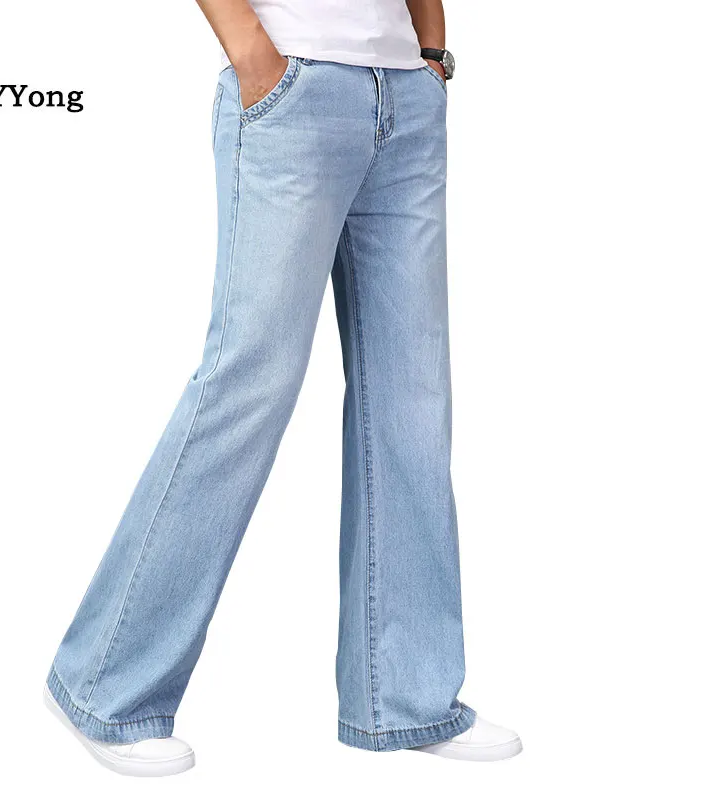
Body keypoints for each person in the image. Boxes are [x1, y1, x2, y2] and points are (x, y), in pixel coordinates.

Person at [44, 0, 522, 776]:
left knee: (412, 399)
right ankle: (105, 685)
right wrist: (253, 54)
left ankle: (406, 699)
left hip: (405, 97)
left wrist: (432, 51)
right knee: (248, 382)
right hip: (294, 88)